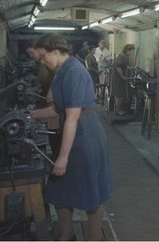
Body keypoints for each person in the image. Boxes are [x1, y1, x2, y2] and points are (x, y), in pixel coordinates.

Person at [27, 33, 113, 241]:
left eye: (43, 56)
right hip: (73, 130)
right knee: (58, 190)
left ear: (55, 51)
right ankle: (67, 235)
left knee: (92, 192)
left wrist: (63, 157)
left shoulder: (73, 71)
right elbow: (59, 109)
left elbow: (73, 117)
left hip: (85, 136)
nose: (41, 61)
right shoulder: (61, 70)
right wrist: (29, 115)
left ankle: (94, 238)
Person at [111, 44, 135, 116]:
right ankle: (117, 111)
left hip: (119, 78)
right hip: (118, 78)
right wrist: (123, 76)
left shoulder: (123, 56)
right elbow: (118, 67)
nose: (131, 53)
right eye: (131, 51)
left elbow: (124, 66)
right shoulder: (121, 56)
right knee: (120, 95)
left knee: (120, 95)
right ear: (127, 50)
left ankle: (118, 109)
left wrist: (131, 68)